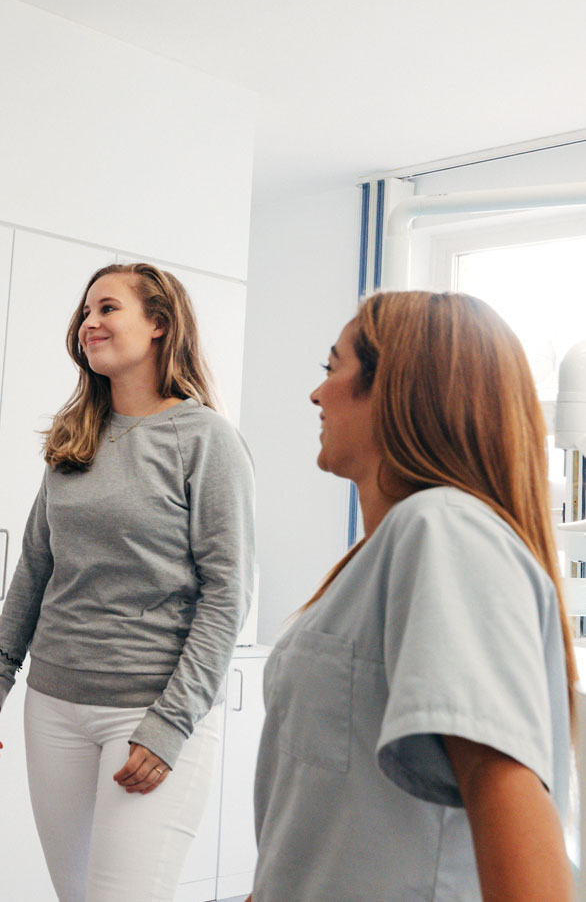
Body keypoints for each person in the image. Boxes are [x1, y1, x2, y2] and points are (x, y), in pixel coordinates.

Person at [250, 291, 574, 902]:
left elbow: (505, 793)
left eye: (332, 368)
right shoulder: (381, 555)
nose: (317, 394)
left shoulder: (443, 529)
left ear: (398, 388)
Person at [0, 263, 255, 902]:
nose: (89, 323)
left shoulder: (206, 439)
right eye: (85, 313)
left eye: (107, 308)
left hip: (149, 708)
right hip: (54, 705)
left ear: (159, 325)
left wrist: (171, 723)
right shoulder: (75, 437)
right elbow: (36, 566)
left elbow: (227, 594)